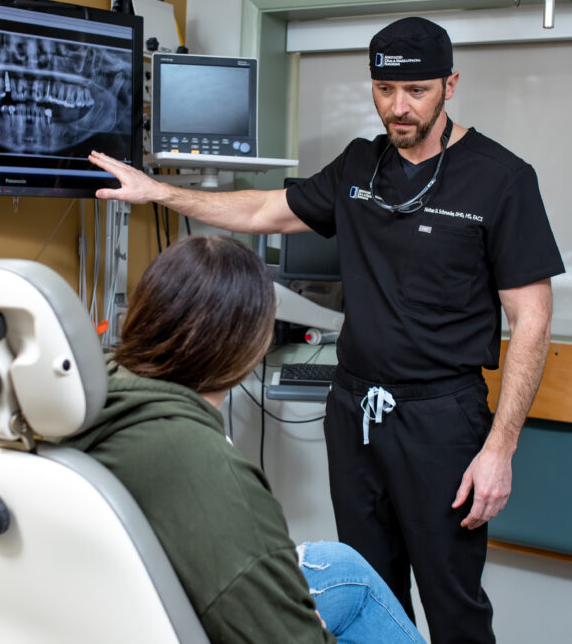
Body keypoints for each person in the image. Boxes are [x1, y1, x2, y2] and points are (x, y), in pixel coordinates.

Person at [88, 17, 565, 643]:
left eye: (417, 91)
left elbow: (533, 320)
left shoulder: (502, 179)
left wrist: (499, 451)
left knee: (454, 605)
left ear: (450, 85)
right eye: (384, 90)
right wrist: (160, 193)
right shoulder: (359, 166)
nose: (398, 107)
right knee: (372, 591)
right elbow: (262, 209)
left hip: (443, 421)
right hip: (355, 411)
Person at [61, 235, 425, 644]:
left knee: (343, 568)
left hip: (107, 608)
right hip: (180, 619)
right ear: (247, 346)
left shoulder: (83, 398)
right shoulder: (209, 469)